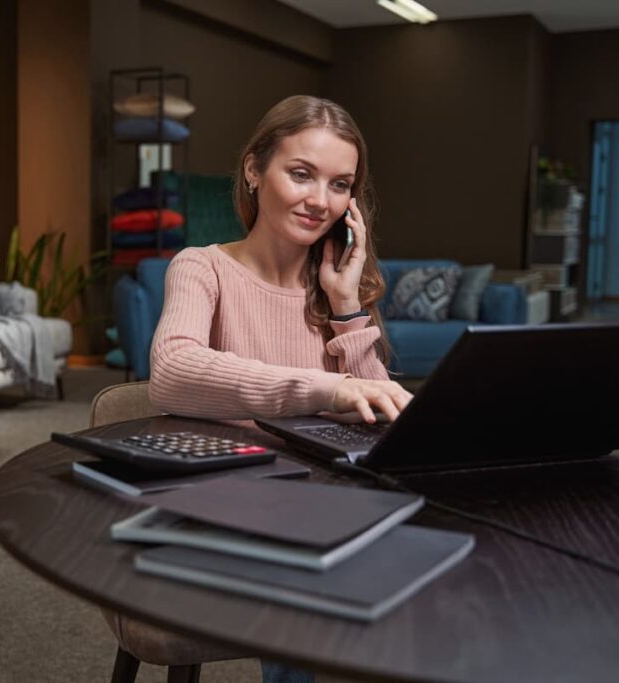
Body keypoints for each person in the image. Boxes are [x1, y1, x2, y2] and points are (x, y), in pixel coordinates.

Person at [147, 95, 414, 683]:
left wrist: (346, 309)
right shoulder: (201, 267)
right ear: (252, 169)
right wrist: (327, 388)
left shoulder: (340, 289)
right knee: (318, 583)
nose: (320, 200)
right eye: (301, 174)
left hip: (325, 503)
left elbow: (383, 429)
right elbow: (172, 371)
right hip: (229, 503)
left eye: (340, 184)